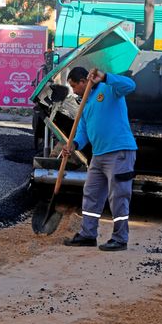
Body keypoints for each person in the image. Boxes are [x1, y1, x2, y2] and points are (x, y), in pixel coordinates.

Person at [62, 66, 137, 251]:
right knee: (91, 194)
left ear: (83, 82)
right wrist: (74, 145)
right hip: (98, 155)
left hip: (119, 151)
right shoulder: (85, 104)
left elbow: (130, 85)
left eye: (73, 86)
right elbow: (83, 132)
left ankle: (120, 238)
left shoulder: (109, 88)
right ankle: (88, 235)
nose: (73, 90)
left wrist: (105, 77)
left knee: (118, 195)